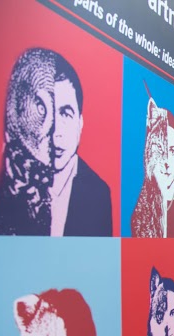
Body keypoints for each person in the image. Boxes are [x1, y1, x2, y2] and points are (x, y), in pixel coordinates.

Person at [51, 53, 112, 236]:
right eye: (48, 113)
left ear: (80, 123)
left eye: (66, 114)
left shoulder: (98, 193)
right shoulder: (18, 183)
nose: (56, 132)